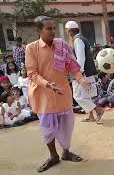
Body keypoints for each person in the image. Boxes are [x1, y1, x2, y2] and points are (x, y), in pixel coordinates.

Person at [25, 16, 93, 172]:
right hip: (43, 96)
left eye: (54, 28)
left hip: (62, 92)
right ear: (38, 31)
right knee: (47, 129)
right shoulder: (31, 48)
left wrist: (81, 80)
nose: (53, 31)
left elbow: (73, 66)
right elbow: (32, 73)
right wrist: (47, 84)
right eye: (48, 28)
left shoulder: (61, 45)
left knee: (66, 127)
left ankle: (66, 153)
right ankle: (53, 156)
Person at [65, 21, 105, 124]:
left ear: (70, 31)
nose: (66, 33)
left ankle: (98, 110)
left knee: (77, 96)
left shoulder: (77, 40)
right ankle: (91, 116)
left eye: (66, 31)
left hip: (83, 72)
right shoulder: (82, 38)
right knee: (87, 95)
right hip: (87, 71)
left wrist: (79, 73)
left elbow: (80, 58)